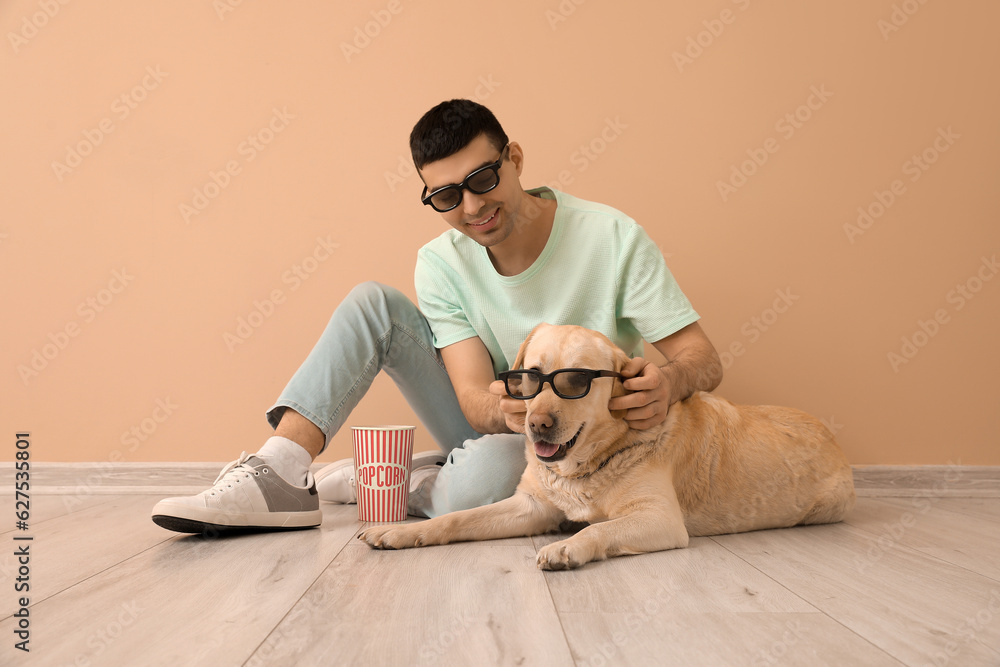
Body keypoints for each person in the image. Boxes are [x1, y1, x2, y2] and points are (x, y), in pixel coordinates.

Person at [151, 99, 723, 534]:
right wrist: (517, 409)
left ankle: (403, 480)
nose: (473, 207)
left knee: (474, 492)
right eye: (447, 196)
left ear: (514, 159)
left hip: (588, 441)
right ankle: (279, 470)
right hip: (503, 422)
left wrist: (670, 381)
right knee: (372, 301)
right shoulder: (440, 263)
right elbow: (474, 400)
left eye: (483, 179)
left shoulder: (613, 238)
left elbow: (703, 359)